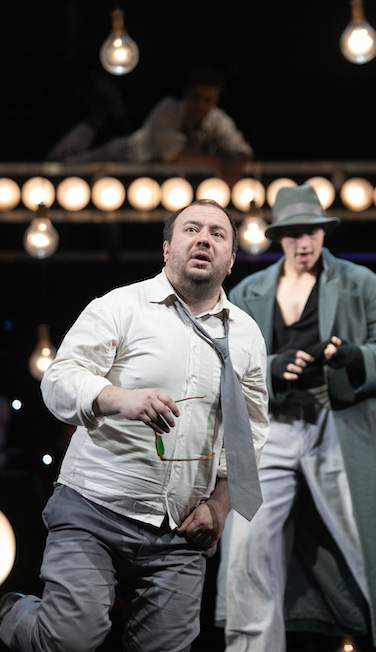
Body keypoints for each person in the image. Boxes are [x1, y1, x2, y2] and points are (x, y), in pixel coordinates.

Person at [0, 198, 269, 652]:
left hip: (179, 532)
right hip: (94, 509)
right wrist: (118, 398)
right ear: (167, 249)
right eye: (191, 229)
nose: (204, 239)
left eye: (217, 234)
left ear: (231, 262)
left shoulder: (246, 335)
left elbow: (251, 433)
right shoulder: (121, 306)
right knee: (69, 641)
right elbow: (59, 381)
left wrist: (220, 507)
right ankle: (13, 613)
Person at [216, 184, 376, 652]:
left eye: (312, 231)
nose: (303, 242)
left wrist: (356, 356)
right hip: (273, 428)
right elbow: (228, 365)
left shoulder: (361, 283)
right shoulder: (248, 292)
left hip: (339, 423)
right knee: (246, 551)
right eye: (294, 233)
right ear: (279, 237)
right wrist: (273, 367)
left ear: (324, 233)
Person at [51, 68, 253, 187]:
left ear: (215, 102)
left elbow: (242, 148)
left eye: (207, 100)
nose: (200, 105)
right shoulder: (169, 108)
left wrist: (236, 160)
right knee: (68, 167)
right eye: (196, 97)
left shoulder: (217, 118)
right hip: (126, 154)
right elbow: (173, 154)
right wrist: (221, 162)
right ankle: (50, 165)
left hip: (150, 175)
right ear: (186, 95)